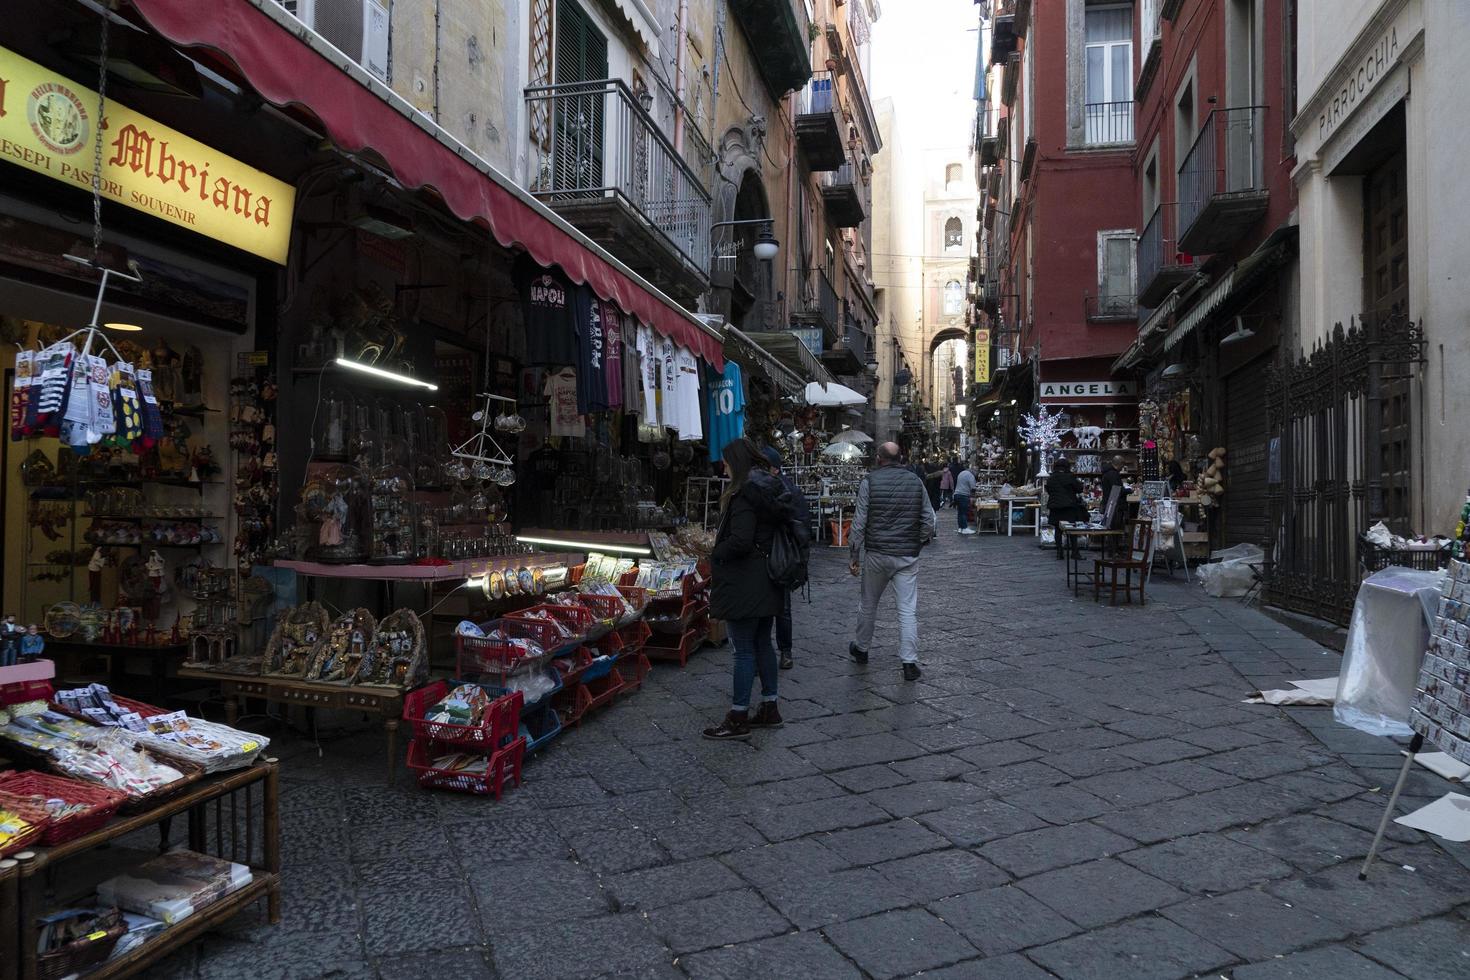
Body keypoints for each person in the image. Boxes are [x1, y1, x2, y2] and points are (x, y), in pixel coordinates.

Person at [703, 438, 793, 740]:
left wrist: (716, 551)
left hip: (746, 581)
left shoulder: (744, 496)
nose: (723, 467)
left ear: (736, 463)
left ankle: (738, 715)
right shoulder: (765, 489)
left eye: (726, 462)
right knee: (763, 643)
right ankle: (770, 707)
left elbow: (741, 540)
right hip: (766, 578)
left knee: (742, 650)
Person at [849, 442, 936, 681]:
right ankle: (909, 662)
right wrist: (918, 542)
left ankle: (862, 649)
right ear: (901, 458)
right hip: (907, 556)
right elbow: (930, 520)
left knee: (868, 604)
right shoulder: (916, 482)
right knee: (907, 611)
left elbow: (859, 522)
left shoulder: (869, 482)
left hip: (877, 554)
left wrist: (854, 554)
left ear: (879, 458)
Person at [763, 446, 811, 670]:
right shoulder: (792, 489)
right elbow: (804, 526)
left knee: (766, 607)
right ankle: (785, 652)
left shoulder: (769, 489)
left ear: (772, 468)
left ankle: (766, 653)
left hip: (770, 555)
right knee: (783, 607)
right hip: (785, 557)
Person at [1044, 457, 1089, 557]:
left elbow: (1049, 490)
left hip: (1055, 506)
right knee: (1071, 529)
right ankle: (1074, 551)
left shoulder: (1051, 478)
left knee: (1058, 529)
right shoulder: (1070, 477)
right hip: (1069, 506)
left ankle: (1059, 551)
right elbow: (1079, 489)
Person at [1100, 455, 1128, 528]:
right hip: (1114, 506)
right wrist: (1129, 490)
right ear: (1120, 464)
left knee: (1109, 527)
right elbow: (1117, 490)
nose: (1122, 468)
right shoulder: (1113, 474)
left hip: (1107, 503)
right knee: (1114, 529)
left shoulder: (1107, 473)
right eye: (1123, 465)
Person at [953, 462, 977, 534]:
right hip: (963, 495)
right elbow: (973, 487)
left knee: (960, 512)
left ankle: (961, 528)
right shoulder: (971, 476)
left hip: (957, 494)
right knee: (963, 512)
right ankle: (965, 528)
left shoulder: (961, 473)